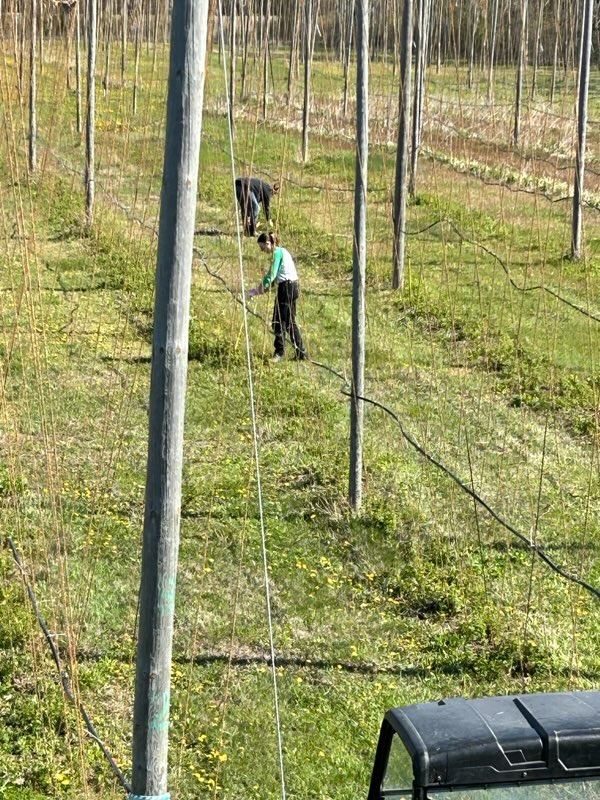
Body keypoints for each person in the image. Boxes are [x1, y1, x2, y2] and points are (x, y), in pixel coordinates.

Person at [246, 232, 307, 362]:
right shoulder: (283, 252)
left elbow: (271, 276)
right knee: (290, 321)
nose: (262, 251)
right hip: (293, 287)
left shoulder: (277, 253)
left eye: (262, 248)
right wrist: (260, 290)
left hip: (286, 289)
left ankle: (279, 352)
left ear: (268, 243)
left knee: (278, 321)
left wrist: (257, 291)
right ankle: (301, 351)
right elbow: (273, 278)